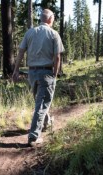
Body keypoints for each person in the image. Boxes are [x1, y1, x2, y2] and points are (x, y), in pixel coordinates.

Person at [12, 9, 64, 145]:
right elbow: (57, 56)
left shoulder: (30, 32)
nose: (54, 20)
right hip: (46, 73)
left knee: (39, 100)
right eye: (53, 18)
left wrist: (16, 70)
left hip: (32, 74)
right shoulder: (54, 34)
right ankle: (33, 136)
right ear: (50, 19)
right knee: (41, 104)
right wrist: (55, 73)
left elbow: (21, 52)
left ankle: (46, 123)